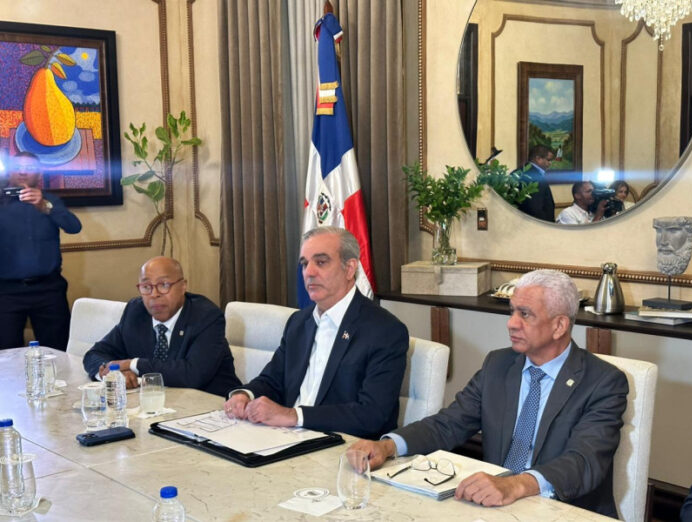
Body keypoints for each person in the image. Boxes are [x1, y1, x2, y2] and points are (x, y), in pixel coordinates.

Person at [349, 269, 628, 517]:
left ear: (559, 326)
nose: (511, 323)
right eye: (512, 311)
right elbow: (448, 424)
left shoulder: (603, 382)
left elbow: (584, 462)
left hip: (563, 510)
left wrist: (516, 484)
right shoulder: (498, 364)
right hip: (495, 507)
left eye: (525, 314)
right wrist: (388, 446)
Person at [223, 226, 408, 439]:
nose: (308, 272)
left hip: (340, 445)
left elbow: (371, 415)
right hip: (284, 436)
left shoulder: (384, 331)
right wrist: (244, 394)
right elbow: (273, 380)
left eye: (320, 262)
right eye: (304, 264)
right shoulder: (299, 322)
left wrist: (294, 416)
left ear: (349, 268)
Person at [83, 256, 241, 397]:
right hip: (157, 405)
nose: (154, 294)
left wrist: (133, 364)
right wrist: (110, 375)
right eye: (146, 287)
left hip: (212, 407)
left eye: (164, 285)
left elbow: (192, 375)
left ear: (183, 286)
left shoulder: (206, 316)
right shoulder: (135, 312)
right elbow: (95, 354)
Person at [0, 152, 81, 350]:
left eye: (29, 168)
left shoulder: (50, 201)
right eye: (17, 167)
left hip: (48, 290)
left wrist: (45, 206)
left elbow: (74, 227)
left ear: (39, 174)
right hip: (6, 292)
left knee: (57, 350)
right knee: (6, 354)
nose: (22, 172)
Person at [517, 145, 556, 222]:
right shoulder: (536, 178)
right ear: (538, 159)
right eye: (548, 160)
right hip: (537, 224)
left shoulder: (517, 172)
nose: (550, 163)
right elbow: (536, 209)